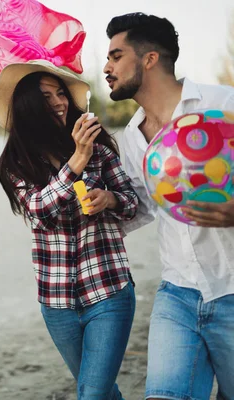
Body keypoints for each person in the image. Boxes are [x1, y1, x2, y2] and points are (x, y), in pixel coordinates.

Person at [0, 59, 138, 399]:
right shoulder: (16, 164)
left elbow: (132, 204)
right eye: (46, 97)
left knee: (92, 393)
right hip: (57, 302)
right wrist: (76, 162)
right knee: (99, 389)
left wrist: (110, 200)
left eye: (60, 94)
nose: (58, 102)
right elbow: (39, 210)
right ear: (27, 106)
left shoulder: (98, 149)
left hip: (109, 289)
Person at [105, 12, 234, 400]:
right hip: (177, 291)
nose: (107, 68)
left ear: (149, 59)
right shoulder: (131, 135)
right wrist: (106, 203)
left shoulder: (223, 103)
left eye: (115, 56)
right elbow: (144, 206)